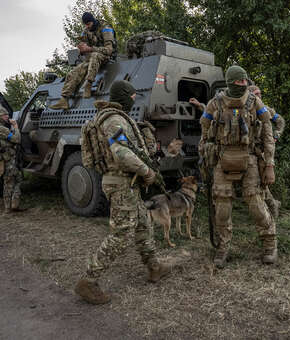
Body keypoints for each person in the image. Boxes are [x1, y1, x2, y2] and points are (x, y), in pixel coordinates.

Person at [75, 80, 171, 305]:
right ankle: (88, 281)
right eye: (133, 95)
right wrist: (146, 171)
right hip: (120, 183)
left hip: (126, 183)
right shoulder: (115, 120)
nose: (135, 99)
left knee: (141, 225)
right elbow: (121, 153)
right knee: (121, 234)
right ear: (124, 96)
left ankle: (154, 267)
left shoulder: (113, 118)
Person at [198, 65, 277, 268]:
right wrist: (206, 156)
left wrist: (269, 164)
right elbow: (204, 133)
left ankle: (270, 245)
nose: (243, 85)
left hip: (249, 157)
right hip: (222, 158)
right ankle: (223, 248)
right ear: (231, 82)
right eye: (239, 81)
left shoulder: (254, 102)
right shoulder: (214, 104)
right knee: (222, 206)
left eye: (245, 81)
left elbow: (268, 135)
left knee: (256, 203)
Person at [51, 12, 116, 110]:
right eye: (85, 24)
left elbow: (109, 50)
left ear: (93, 21)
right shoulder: (85, 31)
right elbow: (83, 45)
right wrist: (81, 49)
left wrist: (89, 49)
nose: (87, 26)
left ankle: (88, 84)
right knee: (76, 71)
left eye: (88, 24)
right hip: (93, 60)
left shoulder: (105, 27)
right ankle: (64, 99)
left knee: (95, 55)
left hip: (107, 57)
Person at [248, 84, 285, 219]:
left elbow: (280, 121)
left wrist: (277, 134)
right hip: (249, 151)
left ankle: (272, 206)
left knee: (262, 183)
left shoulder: (266, 110)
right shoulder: (247, 109)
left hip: (263, 152)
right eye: (256, 94)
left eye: (260, 94)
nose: (259, 96)